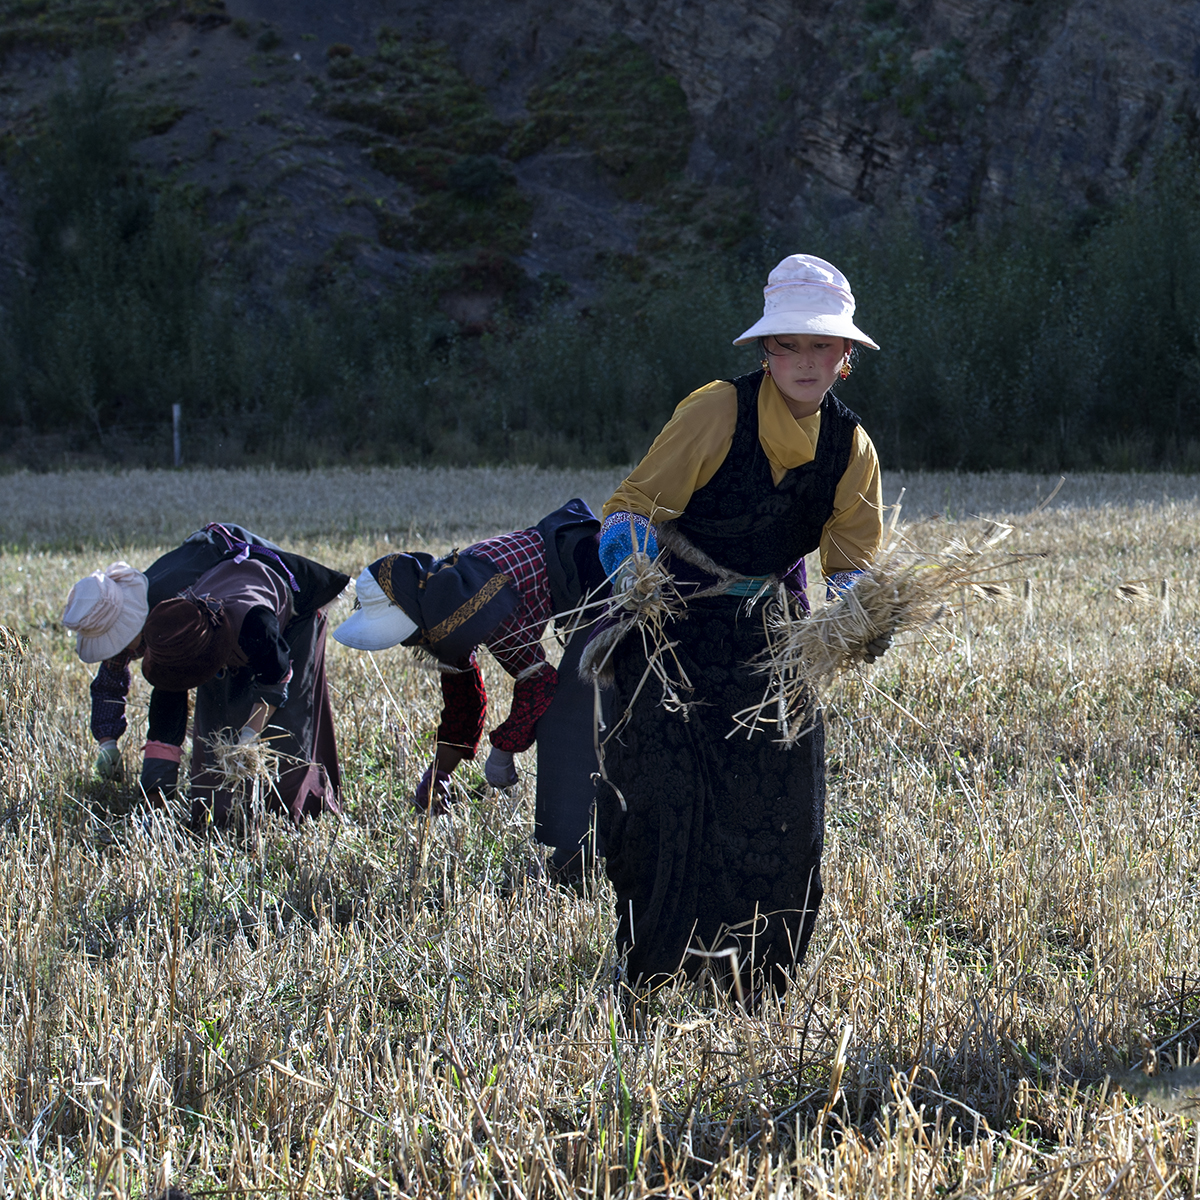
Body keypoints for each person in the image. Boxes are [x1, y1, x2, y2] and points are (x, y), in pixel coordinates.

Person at [591, 253, 886, 997]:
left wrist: (861, 615)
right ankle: (654, 977)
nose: (808, 360)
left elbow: (849, 563)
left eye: (824, 346)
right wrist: (631, 569)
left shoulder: (851, 449)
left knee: (781, 817)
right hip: (673, 632)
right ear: (767, 350)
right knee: (667, 808)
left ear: (846, 358)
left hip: (774, 642)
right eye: (792, 344)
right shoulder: (715, 411)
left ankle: (752, 986)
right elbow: (630, 508)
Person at [333, 499, 608, 877]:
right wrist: (440, 773)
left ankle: (576, 858)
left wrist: (504, 749)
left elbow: (540, 683)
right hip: (581, 589)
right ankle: (582, 849)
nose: (409, 644)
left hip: (603, 582)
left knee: (569, 718)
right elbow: (464, 698)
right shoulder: (446, 600)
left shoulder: (481, 601)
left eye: (409, 637)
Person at [62, 523, 348, 826]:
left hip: (287, 604)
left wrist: (249, 736)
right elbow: (153, 691)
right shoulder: (163, 625)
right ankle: (224, 813)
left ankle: (290, 814)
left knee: (284, 722)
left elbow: (274, 677)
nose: (121, 651)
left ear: (133, 624)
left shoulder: (184, 612)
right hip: (227, 612)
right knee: (216, 724)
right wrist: (115, 749)